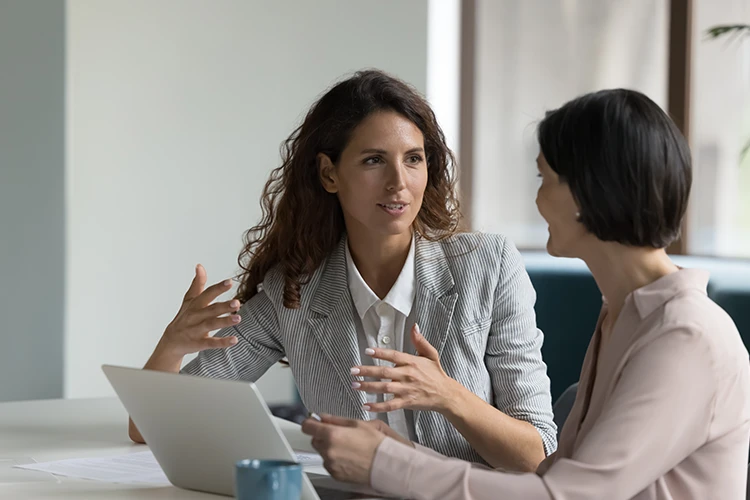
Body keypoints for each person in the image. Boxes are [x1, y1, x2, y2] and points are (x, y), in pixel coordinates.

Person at [301, 88, 750, 499]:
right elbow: (549, 477)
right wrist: (397, 452)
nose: (537, 201)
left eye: (544, 179)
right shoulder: (623, 316)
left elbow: (565, 495)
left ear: (587, 193)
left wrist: (387, 464)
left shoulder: (685, 336)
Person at [128, 69, 557, 471]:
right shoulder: (292, 292)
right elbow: (149, 427)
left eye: (413, 159)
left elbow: (539, 454)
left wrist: (450, 398)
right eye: (374, 160)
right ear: (329, 173)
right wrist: (172, 344)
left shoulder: (488, 266)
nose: (398, 182)